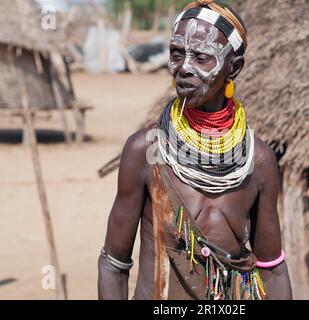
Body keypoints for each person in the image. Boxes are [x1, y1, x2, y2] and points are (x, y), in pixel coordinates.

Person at [98, 0, 292, 300]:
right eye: (177, 54)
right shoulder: (145, 151)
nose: (184, 68)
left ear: (234, 67)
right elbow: (113, 264)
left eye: (202, 57)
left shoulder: (258, 161)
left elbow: (272, 269)